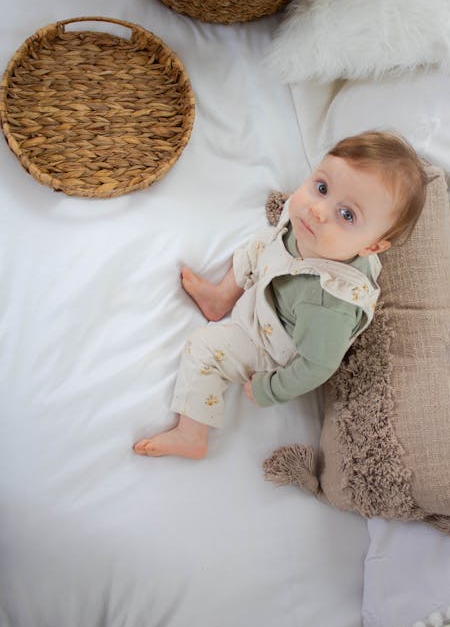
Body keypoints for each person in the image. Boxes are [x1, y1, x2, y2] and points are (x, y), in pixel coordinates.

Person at [133, 130, 428, 460]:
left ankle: (192, 433)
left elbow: (317, 365)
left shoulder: (329, 304)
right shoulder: (310, 224)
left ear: (371, 246)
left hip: (272, 341)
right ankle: (220, 298)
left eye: (347, 215)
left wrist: (270, 388)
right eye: (322, 187)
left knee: (203, 348)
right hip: (280, 277)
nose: (318, 210)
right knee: (260, 243)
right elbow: (289, 228)